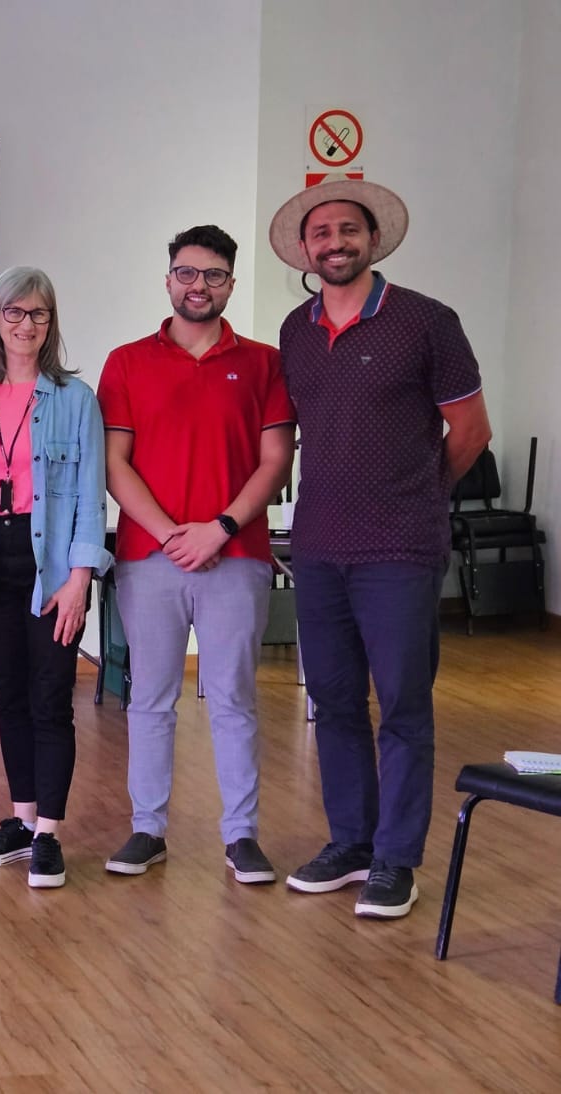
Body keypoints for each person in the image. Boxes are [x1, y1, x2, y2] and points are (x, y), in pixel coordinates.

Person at [270, 178, 490, 918]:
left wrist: (420, 495)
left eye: (348, 230)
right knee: (333, 702)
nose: (335, 242)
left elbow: (471, 432)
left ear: (372, 239)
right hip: (318, 546)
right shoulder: (296, 330)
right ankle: (351, 844)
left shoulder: (427, 321)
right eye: (321, 233)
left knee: (402, 707)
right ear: (306, 249)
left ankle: (397, 860)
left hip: (399, 549)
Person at [97, 226, 296, 885]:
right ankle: (147, 829)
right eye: (186, 272)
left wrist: (219, 528)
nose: (198, 285)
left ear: (231, 284)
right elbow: (115, 463)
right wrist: (170, 534)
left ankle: (241, 836)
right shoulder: (127, 362)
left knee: (234, 697)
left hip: (236, 556)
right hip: (148, 557)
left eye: (213, 275)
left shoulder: (264, 363)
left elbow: (275, 461)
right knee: (150, 698)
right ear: (168, 280)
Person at [0, 266, 112, 888]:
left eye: (38, 314)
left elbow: (90, 497)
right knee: (9, 696)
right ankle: (20, 821)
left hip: (54, 566)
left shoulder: (75, 399)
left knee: (50, 698)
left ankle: (48, 833)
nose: (26, 324)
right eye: (14, 312)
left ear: (51, 324)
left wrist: (80, 579)